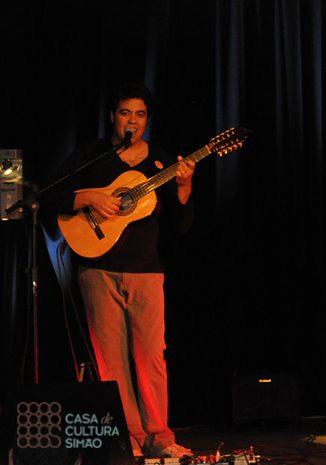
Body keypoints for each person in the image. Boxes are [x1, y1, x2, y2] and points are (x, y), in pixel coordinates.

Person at [51, 83, 195, 458]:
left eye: (141, 114)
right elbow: (51, 193)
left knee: (151, 357)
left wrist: (184, 186)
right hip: (97, 269)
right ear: (113, 116)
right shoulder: (92, 156)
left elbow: (180, 226)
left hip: (146, 271)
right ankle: (126, 437)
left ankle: (158, 437)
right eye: (125, 113)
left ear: (148, 120)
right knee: (109, 361)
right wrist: (88, 196)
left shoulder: (159, 162)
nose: (133, 120)